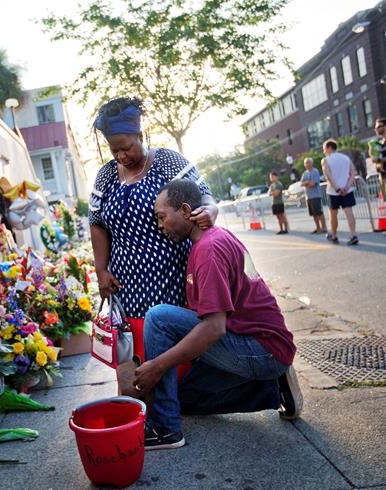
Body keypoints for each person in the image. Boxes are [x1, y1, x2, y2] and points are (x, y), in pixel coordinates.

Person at [134, 179, 302, 450]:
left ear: (185, 210)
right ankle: (272, 386)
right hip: (255, 344)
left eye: (162, 217)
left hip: (262, 348)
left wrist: (158, 365)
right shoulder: (209, 239)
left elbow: (214, 328)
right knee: (186, 398)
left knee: (159, 317)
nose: (159, 225)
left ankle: (165, 428)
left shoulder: (209, 250)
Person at [89, 97, 218, 322]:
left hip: (174, 281)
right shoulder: (106, 176)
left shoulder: (167, 161)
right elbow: (96, 222)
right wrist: (101, 270)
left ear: (140, 136)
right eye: (114, 150)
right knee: (136, 342)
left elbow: (202, 194)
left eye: (126, 148)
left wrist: (209, 210)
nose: (120, 156)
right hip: (126, 289)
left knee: (172, 335)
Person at [322, 139, 358, 245]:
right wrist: (346, 187)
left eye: (324, 149)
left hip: (333, 191)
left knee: (333, 215)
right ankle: (353, 235)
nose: (323, 151)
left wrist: (337, 189)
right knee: (349, 213)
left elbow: (328, 175)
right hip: (347, 190)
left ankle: (334, 236)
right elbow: (353, 173)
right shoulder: (346, 158)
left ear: (329, 147)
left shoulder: (325, 160)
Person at [300, 157, 327, 234]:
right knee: (314, 214)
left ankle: (324, 227)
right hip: (308, 196)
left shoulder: (315, 171)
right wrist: (307, 183)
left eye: (308, 162)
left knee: (319, 212)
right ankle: (318, 227)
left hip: (316, 195)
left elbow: (313, 184)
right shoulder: (305, 173)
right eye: (305, 163)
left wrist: (306, 183)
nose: (306, 164)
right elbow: (301, 184)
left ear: (311, 163)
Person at [368, 117, 386, 199]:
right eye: (375, 128)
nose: (376, 129)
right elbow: (374, 159)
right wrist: (371, 153)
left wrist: (378, 160)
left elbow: (379, 159)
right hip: (382, 175)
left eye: (378, 127)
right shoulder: (380, 143)